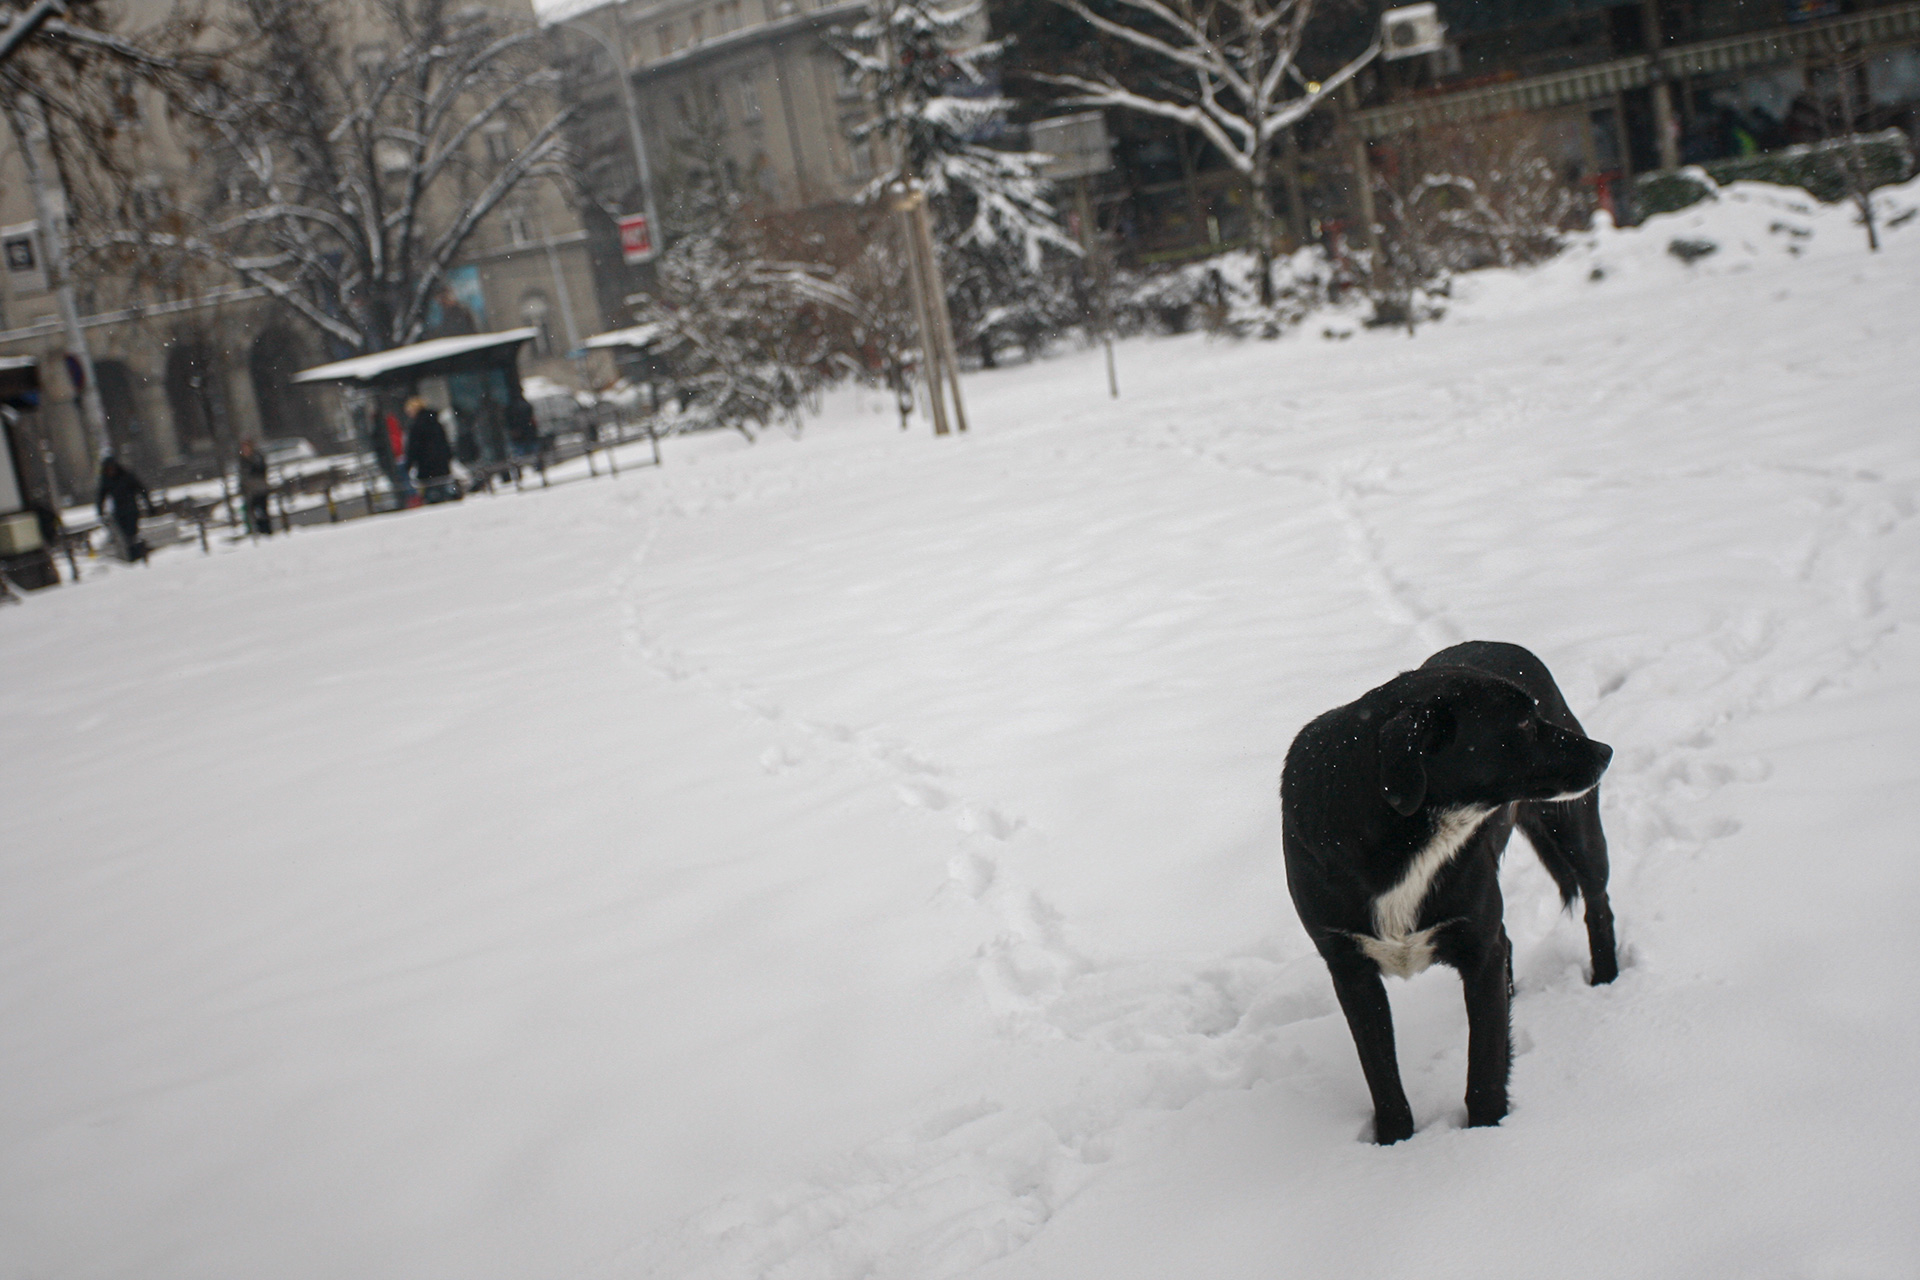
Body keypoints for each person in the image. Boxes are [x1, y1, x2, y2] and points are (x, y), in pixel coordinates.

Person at [95, 455, 151, 562]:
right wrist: (100, 511)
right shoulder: (106, 480)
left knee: (132, 533)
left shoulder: (126, 476)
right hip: (119, 511)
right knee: (125, 535)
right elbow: (100, 496)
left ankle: (137, 553)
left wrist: (148, 503)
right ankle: (134, 554)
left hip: (131, 508)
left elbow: (140, 488)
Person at [404, 395, 458, 504]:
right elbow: (444, 441)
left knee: (432, 494)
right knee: (443, 488)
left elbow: (413, 447)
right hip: (441, 462)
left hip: (426, 465)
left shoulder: (416, 426)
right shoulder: (435, 421)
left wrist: (409, 464)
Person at [237, 437, 274, 536]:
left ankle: (266, 531)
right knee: (253, 511)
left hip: (260, 488)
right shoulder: (242, 459)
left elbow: (261, 471)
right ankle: (258, 531)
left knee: (262, 510)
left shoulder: (257, 457)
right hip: (250, 490)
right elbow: (242, 475)